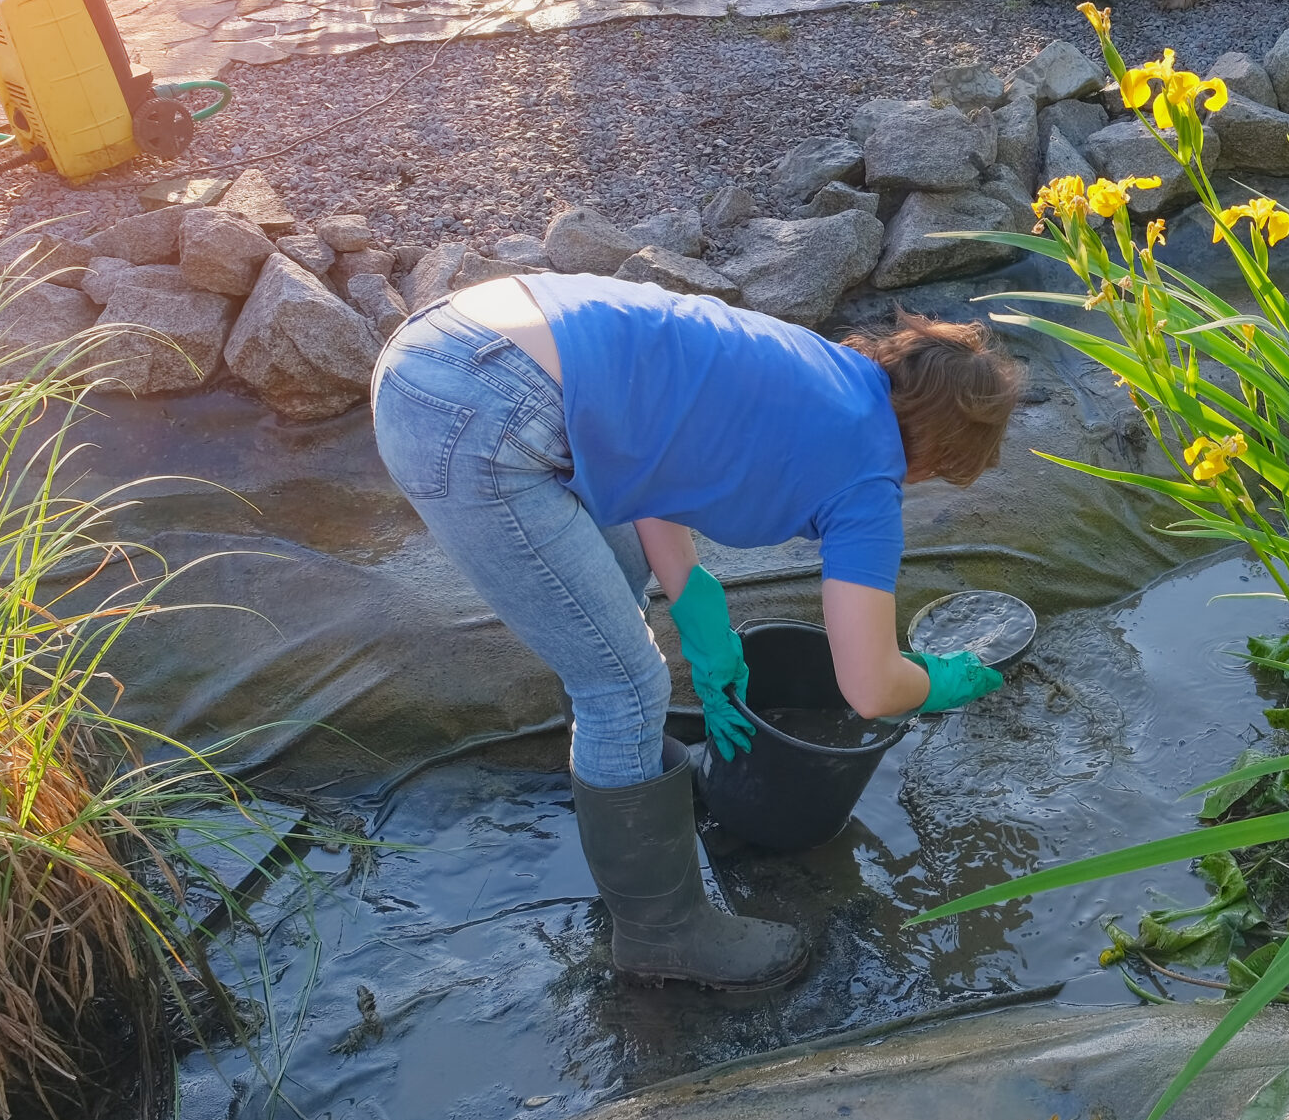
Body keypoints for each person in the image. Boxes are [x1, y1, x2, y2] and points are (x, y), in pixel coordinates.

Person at [370, 274, 1021, 992]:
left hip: (454, 337)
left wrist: (694, 602)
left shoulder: (816, 367)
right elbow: (868, 686)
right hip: (476, 411)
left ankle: (628, 784)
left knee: (610, 594)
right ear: (936, 457)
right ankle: (661, 931)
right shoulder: (870, 475)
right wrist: (941, 678)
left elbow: (653, 451)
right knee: (623, 683)